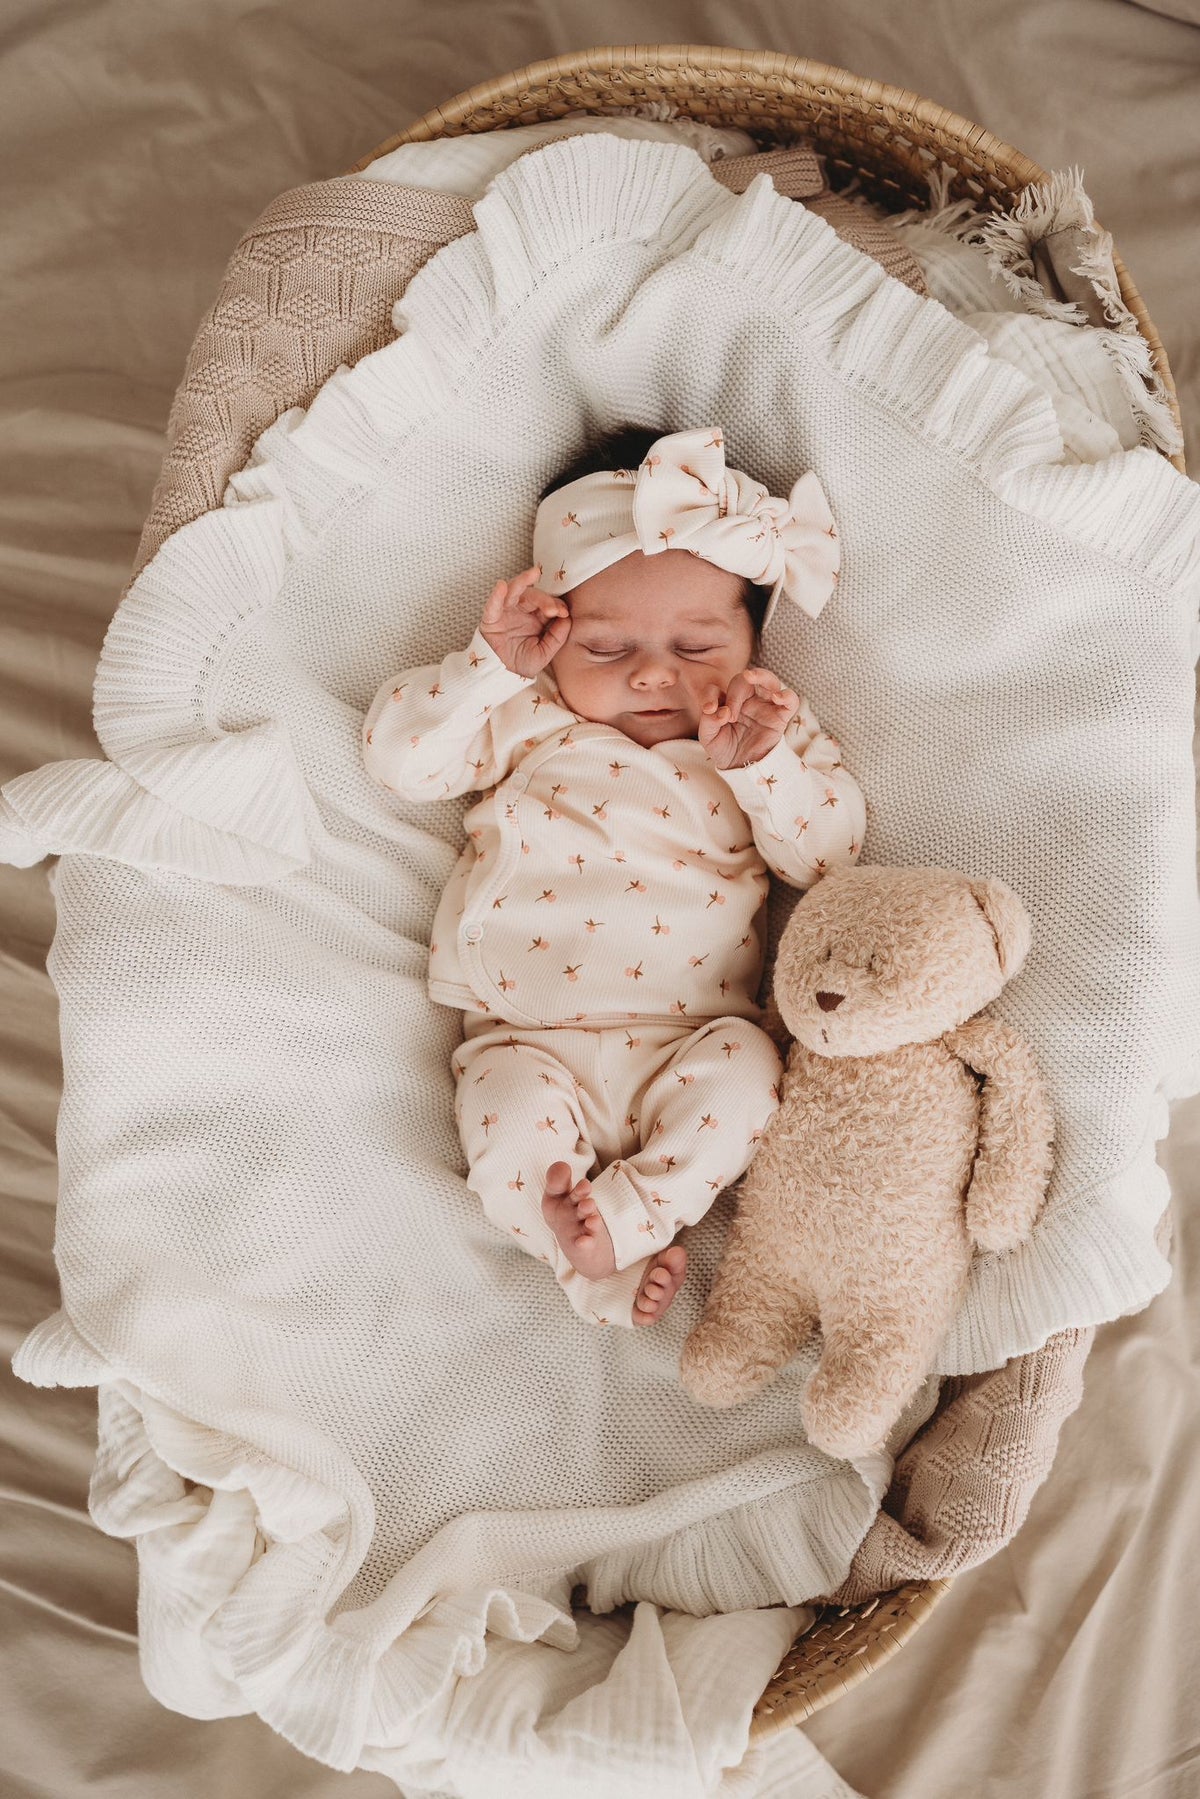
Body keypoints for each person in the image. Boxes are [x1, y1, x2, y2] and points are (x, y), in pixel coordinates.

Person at [362, 424, 867, 1329]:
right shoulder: (528, 716)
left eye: (697, 647)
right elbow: (399, 760)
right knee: (504, 1121)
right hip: (526, 1035)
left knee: (751, 1074)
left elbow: (828, 858)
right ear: (553, 641)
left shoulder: (759, 735)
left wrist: (761, 768)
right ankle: (586, 1262)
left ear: (752, 643)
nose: (650, 676)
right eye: (604, 649)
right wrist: (484, 669)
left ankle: (634, 1218)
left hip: (692, 1038)